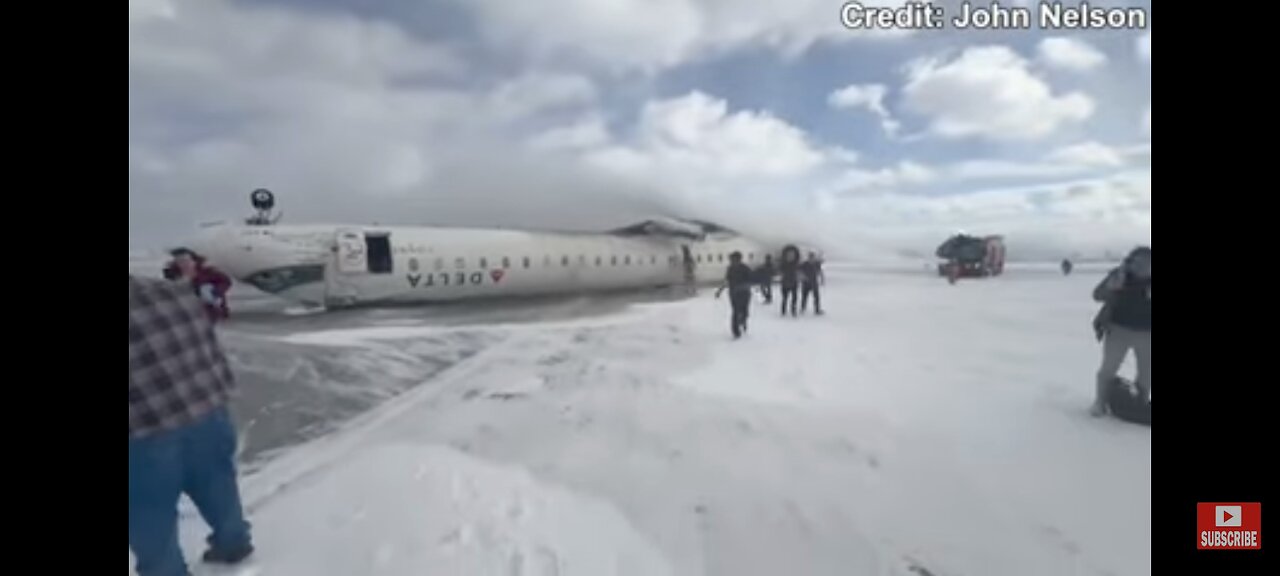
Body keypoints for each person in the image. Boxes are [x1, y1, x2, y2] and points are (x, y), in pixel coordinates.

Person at [130, 276, 255, 576]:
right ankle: (233, 542)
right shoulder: (170, 291)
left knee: (148, 514)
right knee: (218, 485)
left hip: (144, 431)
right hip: (207, 408)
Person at [1090, 247, 1151, 417]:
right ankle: (1099, 402)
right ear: (1131, 262)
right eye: (1139, 262)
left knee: (1146, 372)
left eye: (1147, 263)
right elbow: (1097, 295)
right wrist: (1112, 286)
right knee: (1108, 368)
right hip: (1118, 330)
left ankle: (1140, 404)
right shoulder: (1120, 275)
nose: (1142, 267)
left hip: (1147, 333)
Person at [167, 248, 234, 322]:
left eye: (187, 260)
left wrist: (214, 292)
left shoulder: (208, 272)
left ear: (194, 261)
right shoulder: (174, 277)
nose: (185, 264)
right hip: (188, 316)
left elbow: (226, 281)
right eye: (180, 261)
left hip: (212, 314)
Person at [715, 251, 755, 338]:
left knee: (744, 311)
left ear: (739, 259)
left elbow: (751, 279)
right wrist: (719, 291)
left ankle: (743, 320)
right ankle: (736, 331)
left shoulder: (745, 268)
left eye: (734, 259)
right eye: (732, 260)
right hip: (734, 293)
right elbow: (727, 281)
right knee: (735, 311)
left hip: (744, 292)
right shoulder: (730, 269)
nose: (733, 261)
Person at [777, 246, 801, 317]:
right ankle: (783, 311)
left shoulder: (796, 264)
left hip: (794, 283)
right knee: (785, 298)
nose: (791, 256)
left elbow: (799, 272)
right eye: (789, 255)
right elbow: (779, 272)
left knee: (794, 298)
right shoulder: (783, 264)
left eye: (792, 255)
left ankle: (793, 310)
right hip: (785, 283)